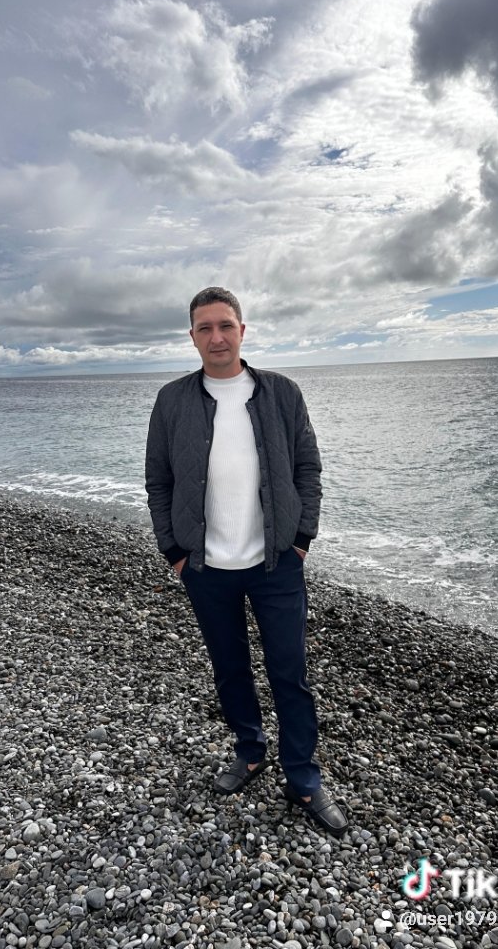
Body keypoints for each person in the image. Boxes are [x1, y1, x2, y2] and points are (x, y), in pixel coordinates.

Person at [145, 286, 347, 836]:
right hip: (205, 567)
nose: (217, 337)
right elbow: (159, 480)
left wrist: (302, 538)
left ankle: (303, 778)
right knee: (230, 668)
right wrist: (174, 551)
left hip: (276, 562)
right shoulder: (172, 400)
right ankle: (250, 751)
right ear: (192, 337)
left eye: (225, 326)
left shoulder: (280, 393)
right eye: (205, 328)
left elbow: (308, 468)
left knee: (290, 673)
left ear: (242, 330)